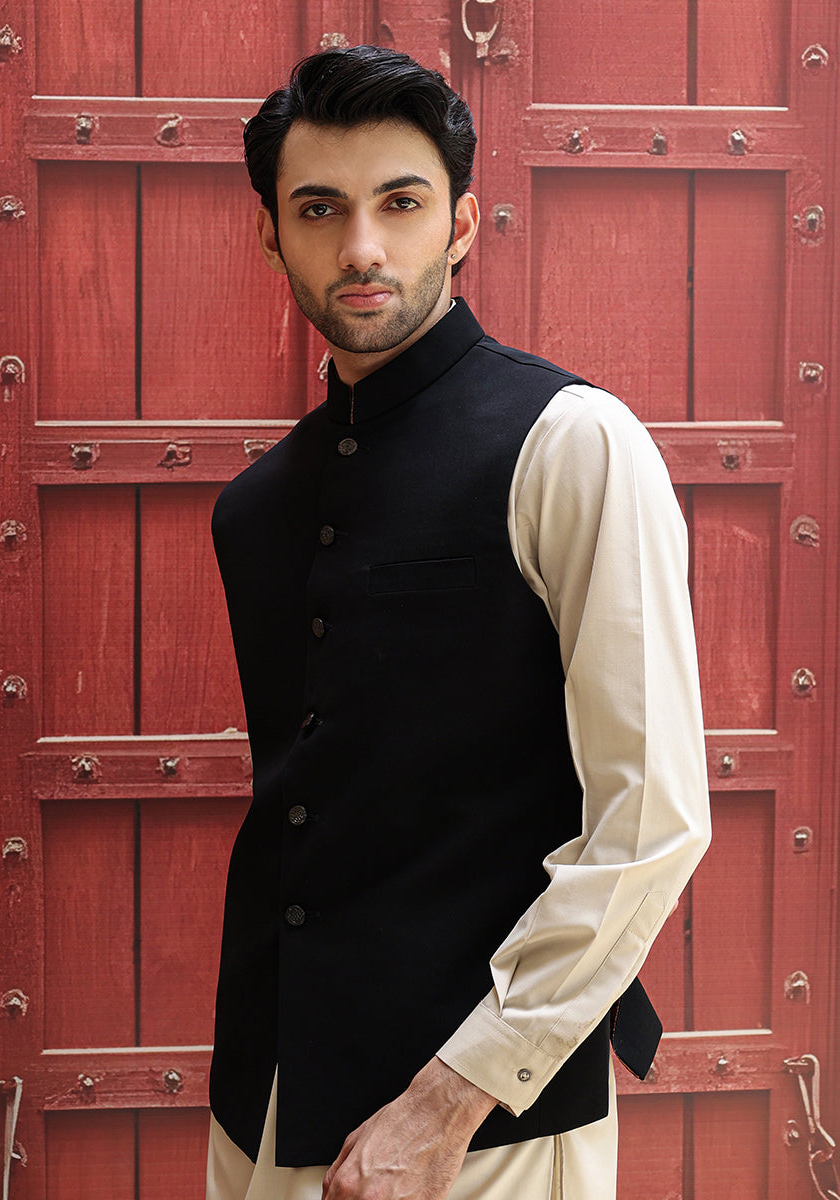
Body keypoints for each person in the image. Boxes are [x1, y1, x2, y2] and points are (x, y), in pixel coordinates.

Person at [206, 44, 710, 1200]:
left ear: (463, 223)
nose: (361, 247)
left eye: (400, 203)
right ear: (270, 235)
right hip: (264, 1109)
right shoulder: (255, 507)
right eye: (319, 209)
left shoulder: (573, 443)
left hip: (484, 1132)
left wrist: (452, 1097)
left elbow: (649, 819)